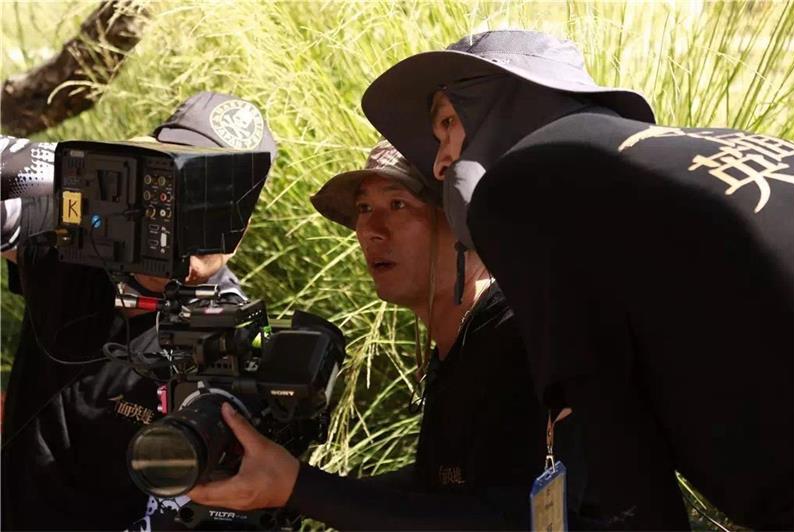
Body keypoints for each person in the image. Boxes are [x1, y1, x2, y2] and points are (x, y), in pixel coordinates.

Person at [360, 30, 794, 529]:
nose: (441, 163)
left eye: (446, 125)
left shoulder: (523, 189)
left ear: (495, 107)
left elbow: (617, 441)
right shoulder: (711, 146)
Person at [188, 140, 579, 529]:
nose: (371, 231)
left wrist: (296, 486)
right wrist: (295, 494)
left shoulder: (518, 340)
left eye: (398, 204)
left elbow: (503, 520)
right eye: (364, 208)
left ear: (464, 224)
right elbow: (437, 484)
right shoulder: (462, 342)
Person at [0, 91, 276, 531]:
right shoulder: (77, 250)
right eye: (180, 188)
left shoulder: (229, 335)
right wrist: (79, 178)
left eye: (220, 204)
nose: (192, 221)